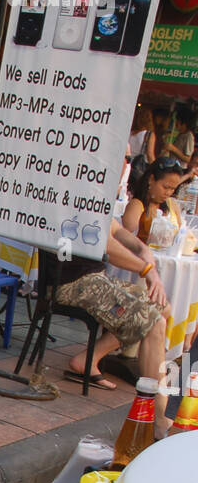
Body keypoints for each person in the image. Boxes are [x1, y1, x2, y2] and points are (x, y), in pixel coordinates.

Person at [57, 218, 172, 433]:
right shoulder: (86, 190)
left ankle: (88, 359)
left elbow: (116, 229)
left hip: (95, 277)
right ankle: (158, 418)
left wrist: (142, 247)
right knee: (155, 321)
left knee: (161, 306)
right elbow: (107, 243)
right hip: (73, 281)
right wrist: (147, 269)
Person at [123, 156, 185, 244]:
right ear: (151, 179)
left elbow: (180, 235)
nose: (168, 193)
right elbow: (125, 235)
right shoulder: (137, 205)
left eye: (173, 189)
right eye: (166, 187)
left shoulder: (172, 204)